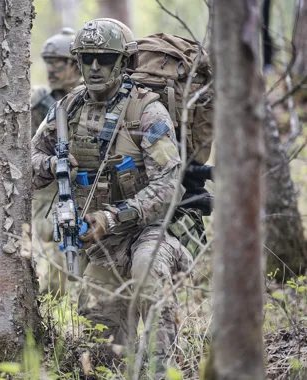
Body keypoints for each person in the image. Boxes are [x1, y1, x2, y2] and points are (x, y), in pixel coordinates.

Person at [31, 18, 192, 377]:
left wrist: (115, 216)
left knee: (147, 273)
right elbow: (27, 163)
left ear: (123, 62)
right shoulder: (66, 110)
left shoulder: (146, 111)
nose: (93, 67)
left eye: (104, 58)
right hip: (101, 246)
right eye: (85, 59)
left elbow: (169, 184)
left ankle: (160, 370)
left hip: (146, 233)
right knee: (102, 350)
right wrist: (53, 163)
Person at [30, 28, 82, 296]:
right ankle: (53, 301)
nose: (51, 70)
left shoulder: (91, 100)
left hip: (86, 186)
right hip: (49, 190)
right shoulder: (39, 102)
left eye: (57, 64)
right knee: (52, 237)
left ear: (76, 65)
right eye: (48, 64)